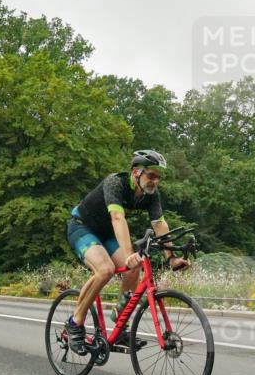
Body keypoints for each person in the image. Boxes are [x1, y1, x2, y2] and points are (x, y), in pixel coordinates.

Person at [64, 150, 190, 354]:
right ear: (136, 172)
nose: (155, 181)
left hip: (106, 233)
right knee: (105, 269)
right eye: (151, 175)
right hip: (82, 227)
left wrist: (171, 258)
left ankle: (120, 324)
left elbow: (159, 224)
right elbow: (117, 218)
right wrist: (128, 252)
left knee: (134, 268)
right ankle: (75, 323)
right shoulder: (115, 183)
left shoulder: (151, 195)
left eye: (158, 177)